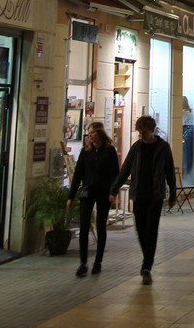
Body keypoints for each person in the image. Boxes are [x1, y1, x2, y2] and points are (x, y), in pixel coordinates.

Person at [109, 115, 176, 285]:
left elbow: (169, 172)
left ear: (151, 130)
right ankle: (147, 258)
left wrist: (173, 194)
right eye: (140, 132)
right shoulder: (136, 148)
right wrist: (114, 189)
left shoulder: (163, 147)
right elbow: (125, 170)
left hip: (156, 195)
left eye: (144, 132)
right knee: (140, 229)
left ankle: (147, 267)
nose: (142, 135)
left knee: (151, 229)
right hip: (138, 194)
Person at [67, 123, 119, 277]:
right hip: (87, 193)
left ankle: (98, 261)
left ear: (99, 133)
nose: (89, 135)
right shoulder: (85, 152)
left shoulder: (109, 152)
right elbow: (78, 175)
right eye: (88, 133)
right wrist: (71, 196)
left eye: (92, 132)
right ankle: (83, 263)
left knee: (101, 226)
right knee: (84, 227)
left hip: (103, 193)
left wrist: (113, 192)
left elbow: (115, 174)